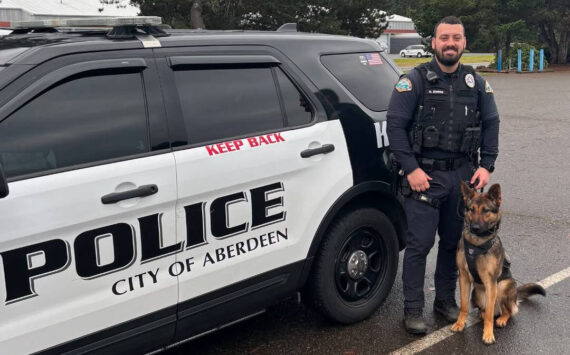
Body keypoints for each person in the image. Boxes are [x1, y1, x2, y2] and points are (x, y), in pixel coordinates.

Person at [386, 16, 499, 335]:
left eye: (457, 38)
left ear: (464, 43)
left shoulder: (476, 83)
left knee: (452, 244)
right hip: (425, 176)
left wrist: (486, 164)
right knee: (419, 245)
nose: (451, 43)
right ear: (433, 43)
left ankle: (445, 302)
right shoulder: (415, 80)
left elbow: (492, 122)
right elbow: (395, 126)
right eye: (444, 38)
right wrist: (411, 169)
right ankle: (412, 310)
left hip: (463, 179)